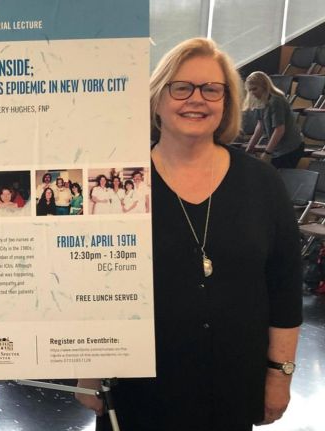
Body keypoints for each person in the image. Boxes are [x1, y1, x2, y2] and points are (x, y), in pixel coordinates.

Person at [77, 37, 302, 431]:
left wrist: (279, 376)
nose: (195, 99)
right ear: (157, 98)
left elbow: (284, 288)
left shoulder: (263, 183)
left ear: (227, 102)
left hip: (232, 386)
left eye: (211, 89)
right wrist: (89, 370)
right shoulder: (116, 181)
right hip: (137, 387)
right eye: (180, 87)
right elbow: (92, 280)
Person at [244, 71, 305, 169]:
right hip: (278, 148)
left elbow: (279, 129)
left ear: (264, 86)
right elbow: (260, 126)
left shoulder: (276, 101)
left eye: (255, 89)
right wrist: (250, 147)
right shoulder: (260, 102)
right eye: (250, 90)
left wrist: (267, 152)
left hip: (291, 147)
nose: (252, 93)